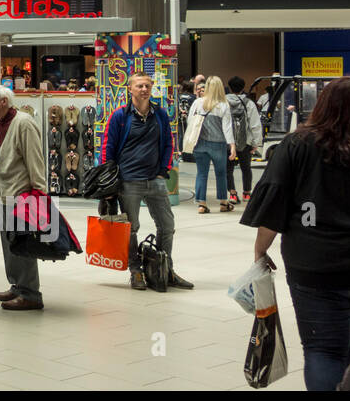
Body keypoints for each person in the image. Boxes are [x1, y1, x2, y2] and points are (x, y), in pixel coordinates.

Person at [241, 77, 350, 391]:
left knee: (323, 349)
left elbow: (275, 199)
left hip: (313, 264)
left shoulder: (298, 144)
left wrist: (259, 250)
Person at [101, 72, 193, 291]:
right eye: (139, 86)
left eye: (147, 86)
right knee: (131, 228)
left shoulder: (160, 114)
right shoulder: (120, 116)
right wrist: (109, 180)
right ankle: (136, 271)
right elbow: (107, 148)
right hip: (129, 181)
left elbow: (169, 143)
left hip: (155, 180)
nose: (144, 89)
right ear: (130, 89)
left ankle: (164, 269)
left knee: (167, 225)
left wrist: (163, 171)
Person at [0, 85, 46, 310]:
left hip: (21, 194)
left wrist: (39, 191)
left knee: (23, 244)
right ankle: (18, 286)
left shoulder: (24, 122)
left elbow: (35, 158)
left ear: (4, 101)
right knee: (10, 244)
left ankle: (31, 294)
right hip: (3, 193)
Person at [186, 74, 237, 214]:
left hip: (199, 144)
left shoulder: (198, 103)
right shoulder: (223, 105)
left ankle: (201, 204)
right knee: (221, 173)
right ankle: (223, 202)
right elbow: (227, 128)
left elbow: (190, 122)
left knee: (201, 173)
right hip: (218, 144)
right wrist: (232, 146)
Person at [226, 75, 263, 204]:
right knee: (246, 168)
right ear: (243, 88)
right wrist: (256, 143)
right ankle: (247, 193)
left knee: (228, 169)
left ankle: (232, 194)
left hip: (228, 141)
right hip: (245, 141)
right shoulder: (249, 103)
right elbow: (255, 124)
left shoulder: (223, 102)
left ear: (230, 87)